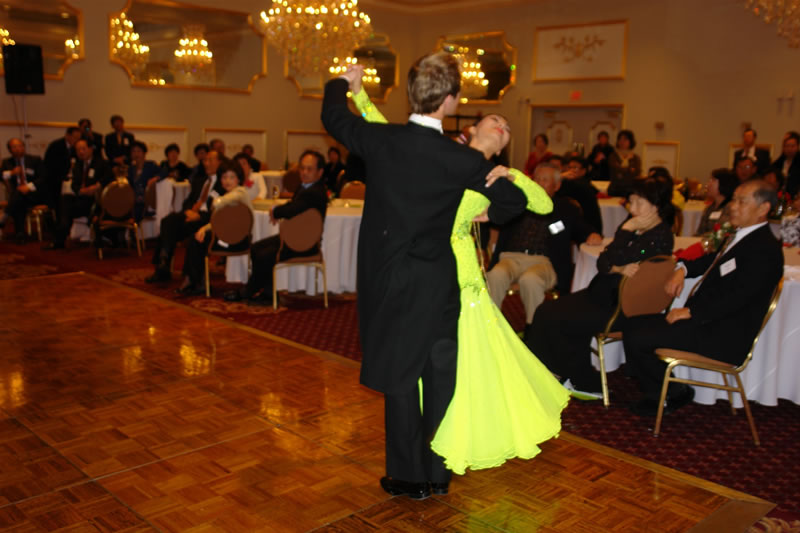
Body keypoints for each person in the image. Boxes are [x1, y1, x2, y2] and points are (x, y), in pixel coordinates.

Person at [322, 53, 528, 500]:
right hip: (439, 282)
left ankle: (408, 477)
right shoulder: (460, 159)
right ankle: (437, 473)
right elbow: (514, 203)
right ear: (451, 101)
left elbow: (333, 116)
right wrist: (495, 191)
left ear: (411, 93)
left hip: (394, 282)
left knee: (400, 379)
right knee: (440, 376)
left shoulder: (382, 140)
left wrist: (344, 82)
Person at [350, 75, 570, 476]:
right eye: (495, 119)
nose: (501, 125)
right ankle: (419, 455)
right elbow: (387, 135)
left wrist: (511, 176)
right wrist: (359, 94)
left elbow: (542, 205)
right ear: (473, 127)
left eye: (507, 127)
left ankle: (447, 448)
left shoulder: (494, 174)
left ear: (503, 145)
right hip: (421, 266)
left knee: (457, 370)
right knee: (421, 369)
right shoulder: (445, 153)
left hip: (462, 275)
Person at [623, 179, 783, 416]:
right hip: (708, 323)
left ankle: (664, 395)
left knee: (638, 336)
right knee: (631, 324)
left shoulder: (764, 248)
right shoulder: (742, 235)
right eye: (734, 200)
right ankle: (670, 390)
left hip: (724, 334)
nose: (733, 206)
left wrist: (691, 312)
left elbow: (740, 297)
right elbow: (714, 262)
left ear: (763, 209)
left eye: (741, 202)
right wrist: (683, 269)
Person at [526, 175, 675, 398]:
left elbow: (614, 257)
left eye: (639, 203)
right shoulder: (635, 227)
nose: (633, 208)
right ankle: (546, 371)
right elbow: (604, 263)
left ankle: (584, 382)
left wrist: (623, 239)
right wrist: (617, 266)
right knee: (545, 310)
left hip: (622, 305)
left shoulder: (659, 236)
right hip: (603, 294)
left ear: (656, 206)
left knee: (561, 318)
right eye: (631, 202)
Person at [488, 162, 603, 326]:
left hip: (543, 262)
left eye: (545, 180)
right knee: (495, 275)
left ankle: (534, 327)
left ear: (557, 186)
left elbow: (581, 228)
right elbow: (496, 219)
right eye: (537, 179)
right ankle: (492, 324)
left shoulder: (565, 208)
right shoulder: (518, 203)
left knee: (530, 279)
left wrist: (592, 234)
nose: (539, 183)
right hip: (511, 258)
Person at [223, 150, 328, 303]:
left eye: (309, 169)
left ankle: (249, 290)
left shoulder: (315, 192)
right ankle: (267, 293)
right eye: (302, 168)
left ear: (320, 172)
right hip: (293, 238)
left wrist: (276, 211)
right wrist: (277, 210)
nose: (304, 172)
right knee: (256, 248)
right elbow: (293, 205)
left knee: (265, 255)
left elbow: (292, 210)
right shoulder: (305, 186)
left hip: (304, 243)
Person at [145, 150, 224, 282]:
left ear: (220, 162)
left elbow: (220, 210)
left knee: (186, 232)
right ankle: (163, 265)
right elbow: (188, 201)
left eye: (210, 160)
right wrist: (187, 211)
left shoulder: (223, 183)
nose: (206, 163)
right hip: (191, 215)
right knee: (168, 221)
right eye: (205, 160)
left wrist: (199, 216)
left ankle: (185, 274)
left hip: (207, 220)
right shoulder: (200, 181)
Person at [177, 160, 253, 296]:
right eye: (224, 177)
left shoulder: (240, 193)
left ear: (239, 179)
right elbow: (220, 221)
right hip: (228, 236)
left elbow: (219, 205)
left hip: (237, 239)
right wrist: (205, 228)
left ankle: (194, 281)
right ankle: (194, 280)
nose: (227, 181)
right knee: (196, 238)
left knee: (196, 241)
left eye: (232, 177)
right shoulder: (230, 195)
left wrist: (216, 203)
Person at [45, 139, 113, 249]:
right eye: (78, 150)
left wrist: (96, 187)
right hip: (81, 198)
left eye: (83, 149)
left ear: (90, 149)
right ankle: (63, 229)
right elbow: (74, 184)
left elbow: (109, 178)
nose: (81, 152)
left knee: (66, 209)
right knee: (64, 199)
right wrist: (80, 191)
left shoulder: (101, 163)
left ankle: (61, 235)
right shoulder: (77, 165)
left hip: (96, 200)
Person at [0, 138, 48, 243]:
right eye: (14, 147)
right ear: (10, 150)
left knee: (18, 196)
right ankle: (20, 234)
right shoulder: (7, 162)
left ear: (24, 147)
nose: (18, 149)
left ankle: (5, 216)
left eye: (20, 146)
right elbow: (1, 176)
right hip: (18, 197)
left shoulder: (35, 160)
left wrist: (28, 187)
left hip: (35, 194)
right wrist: (11, 173)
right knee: (19, 199)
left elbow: (43, 178)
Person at [558, 156, 603, 234]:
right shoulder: (579, 183)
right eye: (569, 167)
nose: (571, 170)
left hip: (586, 228)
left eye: (575, 168)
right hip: (582, 226)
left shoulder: (578, 184)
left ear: (583, 171)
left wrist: (561, 176)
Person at [43, 126, 82, 209]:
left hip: (70, 180)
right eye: (75, 137)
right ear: (67, 135)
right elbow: (49, 166)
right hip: (55, 180)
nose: (76, 140)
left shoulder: (76, 148)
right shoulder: (56, 146)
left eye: (78, 138)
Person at [695, 169, 739, 235]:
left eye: (713, 180)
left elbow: (722, 234)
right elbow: (700, 233)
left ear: (724, 184)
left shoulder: (731, 208)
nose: (707, 185)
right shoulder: (710, 208)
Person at [126, 141, 160, 222]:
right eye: (134, 151)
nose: (136, 154)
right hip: (134, 201)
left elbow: (164, 173)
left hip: (147, 201)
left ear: (144, 153)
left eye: (138, 151)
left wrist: (155, 178)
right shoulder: (131, 168)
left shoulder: (151, 165)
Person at [607, 129, 642, 196]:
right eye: (620, 139)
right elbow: (615, 170)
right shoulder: (613, 156)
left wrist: (622, 170)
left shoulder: (635, 158)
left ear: (630, 142)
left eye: (625, 139)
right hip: (615, 189)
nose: (622, 142)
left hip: (631, 190)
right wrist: (629, 169)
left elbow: (636, 173)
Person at [772, 131, 800, 196]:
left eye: (792, 146)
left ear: (797, 147)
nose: (789, 149)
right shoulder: (779, 162)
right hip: (779, 193)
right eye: (787, 146)